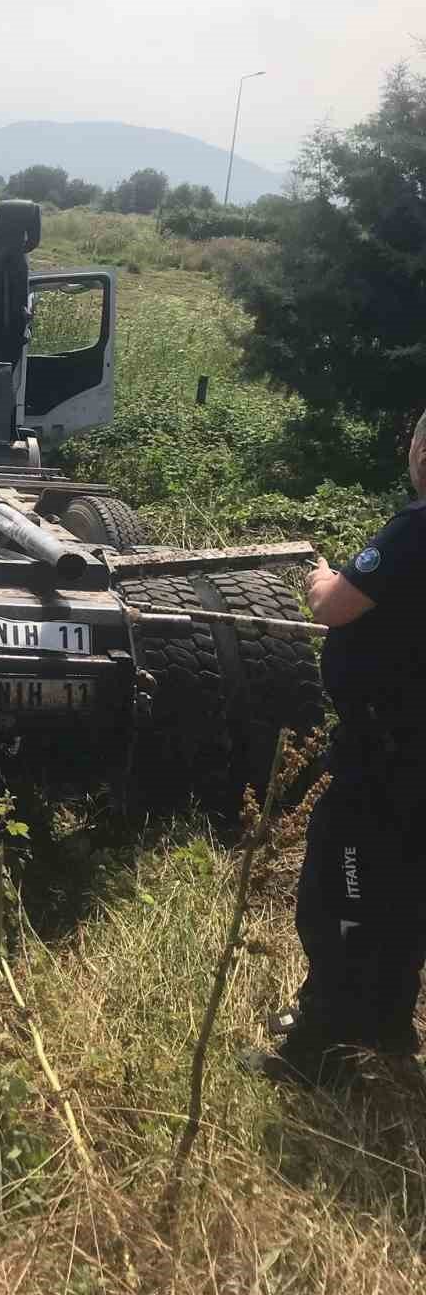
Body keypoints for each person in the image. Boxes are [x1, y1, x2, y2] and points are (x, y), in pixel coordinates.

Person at [248, 410, 426, 1088]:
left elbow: (335, 607)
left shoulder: (414, 528)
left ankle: (321, 1051)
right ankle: (386, 1025)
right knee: (407, 894)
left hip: (384, 757)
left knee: (341, 893)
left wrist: (321, 575)